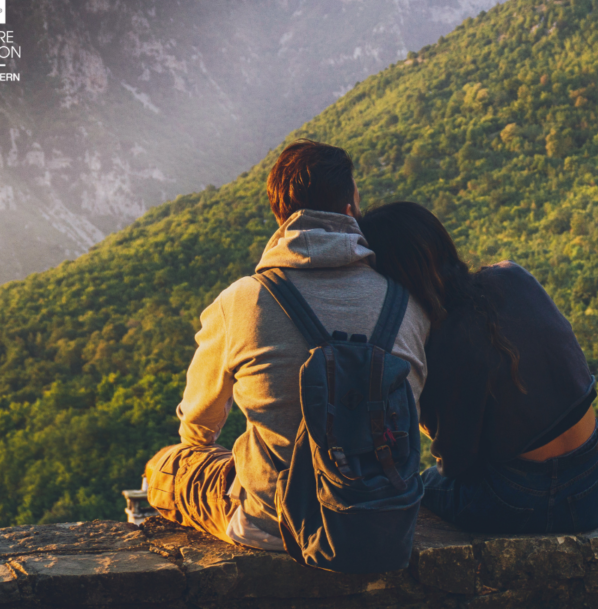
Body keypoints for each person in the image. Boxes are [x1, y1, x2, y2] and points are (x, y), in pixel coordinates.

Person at [144, 141, 429, 550]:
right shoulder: (407, 302)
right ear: (351, 208)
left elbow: (198, 423)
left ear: (280, 215)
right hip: (381, 517)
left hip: (274, 521)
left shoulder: (243, 300)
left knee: (165, 466)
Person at [357, 202, 598, 534]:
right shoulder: (512, 276)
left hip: (521, 499)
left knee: (420, 486)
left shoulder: (444, 342)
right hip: (594, 486)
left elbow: (457, 465)